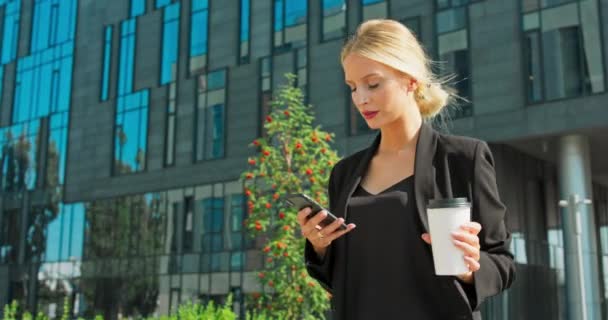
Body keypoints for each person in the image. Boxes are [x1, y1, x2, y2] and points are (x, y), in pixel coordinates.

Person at [296, 19, 515, 320]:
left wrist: (469, 267)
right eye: (353, 87)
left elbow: (502, 263)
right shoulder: (344, 174)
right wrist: (320, 248)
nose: (361, 98)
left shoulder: (463, 158)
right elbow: (338, 281)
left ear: (411, 80)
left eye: (373, 84)